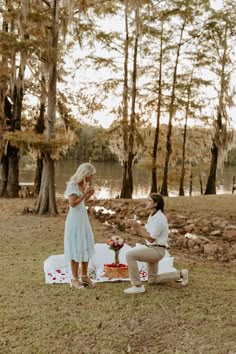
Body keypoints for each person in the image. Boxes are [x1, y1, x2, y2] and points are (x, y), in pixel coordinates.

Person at [124, 193, 188, 294]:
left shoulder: (159, 218)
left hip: (156, 251)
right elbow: (149, 233)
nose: (147, 202)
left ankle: (138, 286)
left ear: (156, 203)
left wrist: (138, 228)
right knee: (152, 280)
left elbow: (151, 239)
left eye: (149, 200)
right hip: (152, 248)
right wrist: (138, 227)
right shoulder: (152, 215)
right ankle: (181, 274)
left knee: (130, 255)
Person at [64, 162, 96, 289]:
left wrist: (88, 195)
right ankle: (74, 278)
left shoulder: (84, 185)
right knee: (76, 246)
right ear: (85, 173)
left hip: (83, 219)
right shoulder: (73, 185)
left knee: (85, 245)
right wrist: (85, 194)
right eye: (90, 175)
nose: (91, 178)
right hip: (74, 221)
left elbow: (81, 203)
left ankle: (84, 276)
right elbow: (72, 204)